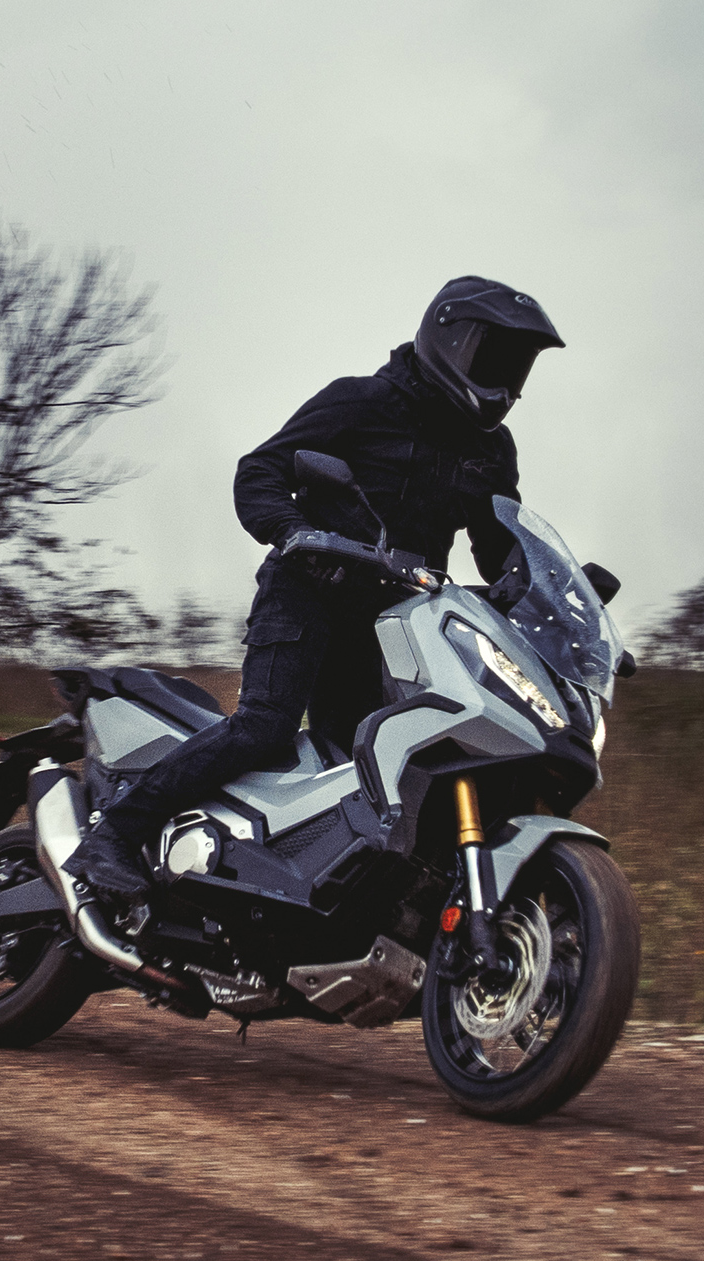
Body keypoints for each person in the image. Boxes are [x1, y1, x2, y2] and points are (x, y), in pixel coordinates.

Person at [64, 276, 565, 902]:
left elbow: (498, 547)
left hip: (395, 625)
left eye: (517, 366)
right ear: (449, 341)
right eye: (494, 357)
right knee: (265, 728)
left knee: (360, 768)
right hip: (310, 593)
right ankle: (113, 835)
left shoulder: (491, 450)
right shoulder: (362, 402)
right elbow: (262, 470)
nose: (504, 379)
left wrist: (545, 587)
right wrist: (298, 532)